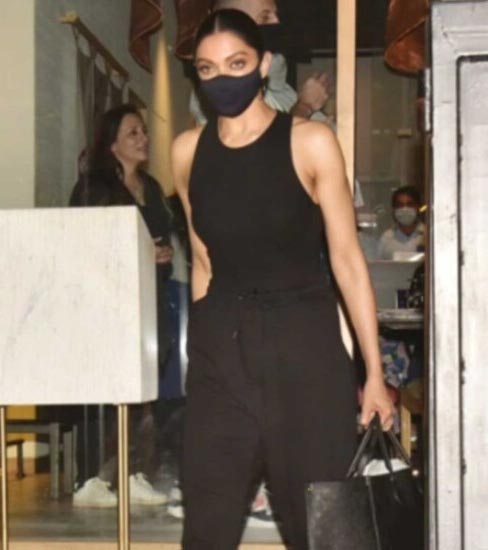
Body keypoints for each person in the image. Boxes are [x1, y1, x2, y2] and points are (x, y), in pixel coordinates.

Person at [172, 10, 394, 549]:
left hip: (304, 348)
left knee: (317, 526)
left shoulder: (310, 141)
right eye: (207, 69)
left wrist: (373, 372)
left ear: (264, 64)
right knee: (206, 526)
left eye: (237, 63)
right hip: (222, 352)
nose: (222, 79)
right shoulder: (186, 151)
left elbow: (347, 261)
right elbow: (202, 260)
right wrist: (203, 352)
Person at [69, 104, 172, 507]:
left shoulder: (153, 187)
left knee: (146, 392)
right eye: (133, 133)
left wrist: (159, 255)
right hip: (110, 304)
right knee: (111, 391)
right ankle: (95, 479)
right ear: (111, 144)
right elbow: (84, 245)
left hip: (150, 300)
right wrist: (141, 255)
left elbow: (160, 239)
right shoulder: (94, 187)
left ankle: (135, 473)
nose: (143, 138)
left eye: (144, 131)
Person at [190, 0, 330, 125]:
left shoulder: (276, 82)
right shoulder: (219, 91)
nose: (276, 22)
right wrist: (305, 107)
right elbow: (263, 143)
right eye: (265, 17)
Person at [377, 185, 425, 260]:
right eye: (400, 205)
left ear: (418, 207)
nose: (405, 209)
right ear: (394, 209)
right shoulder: (386, 239)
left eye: (410, 204)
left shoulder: (427, 235)